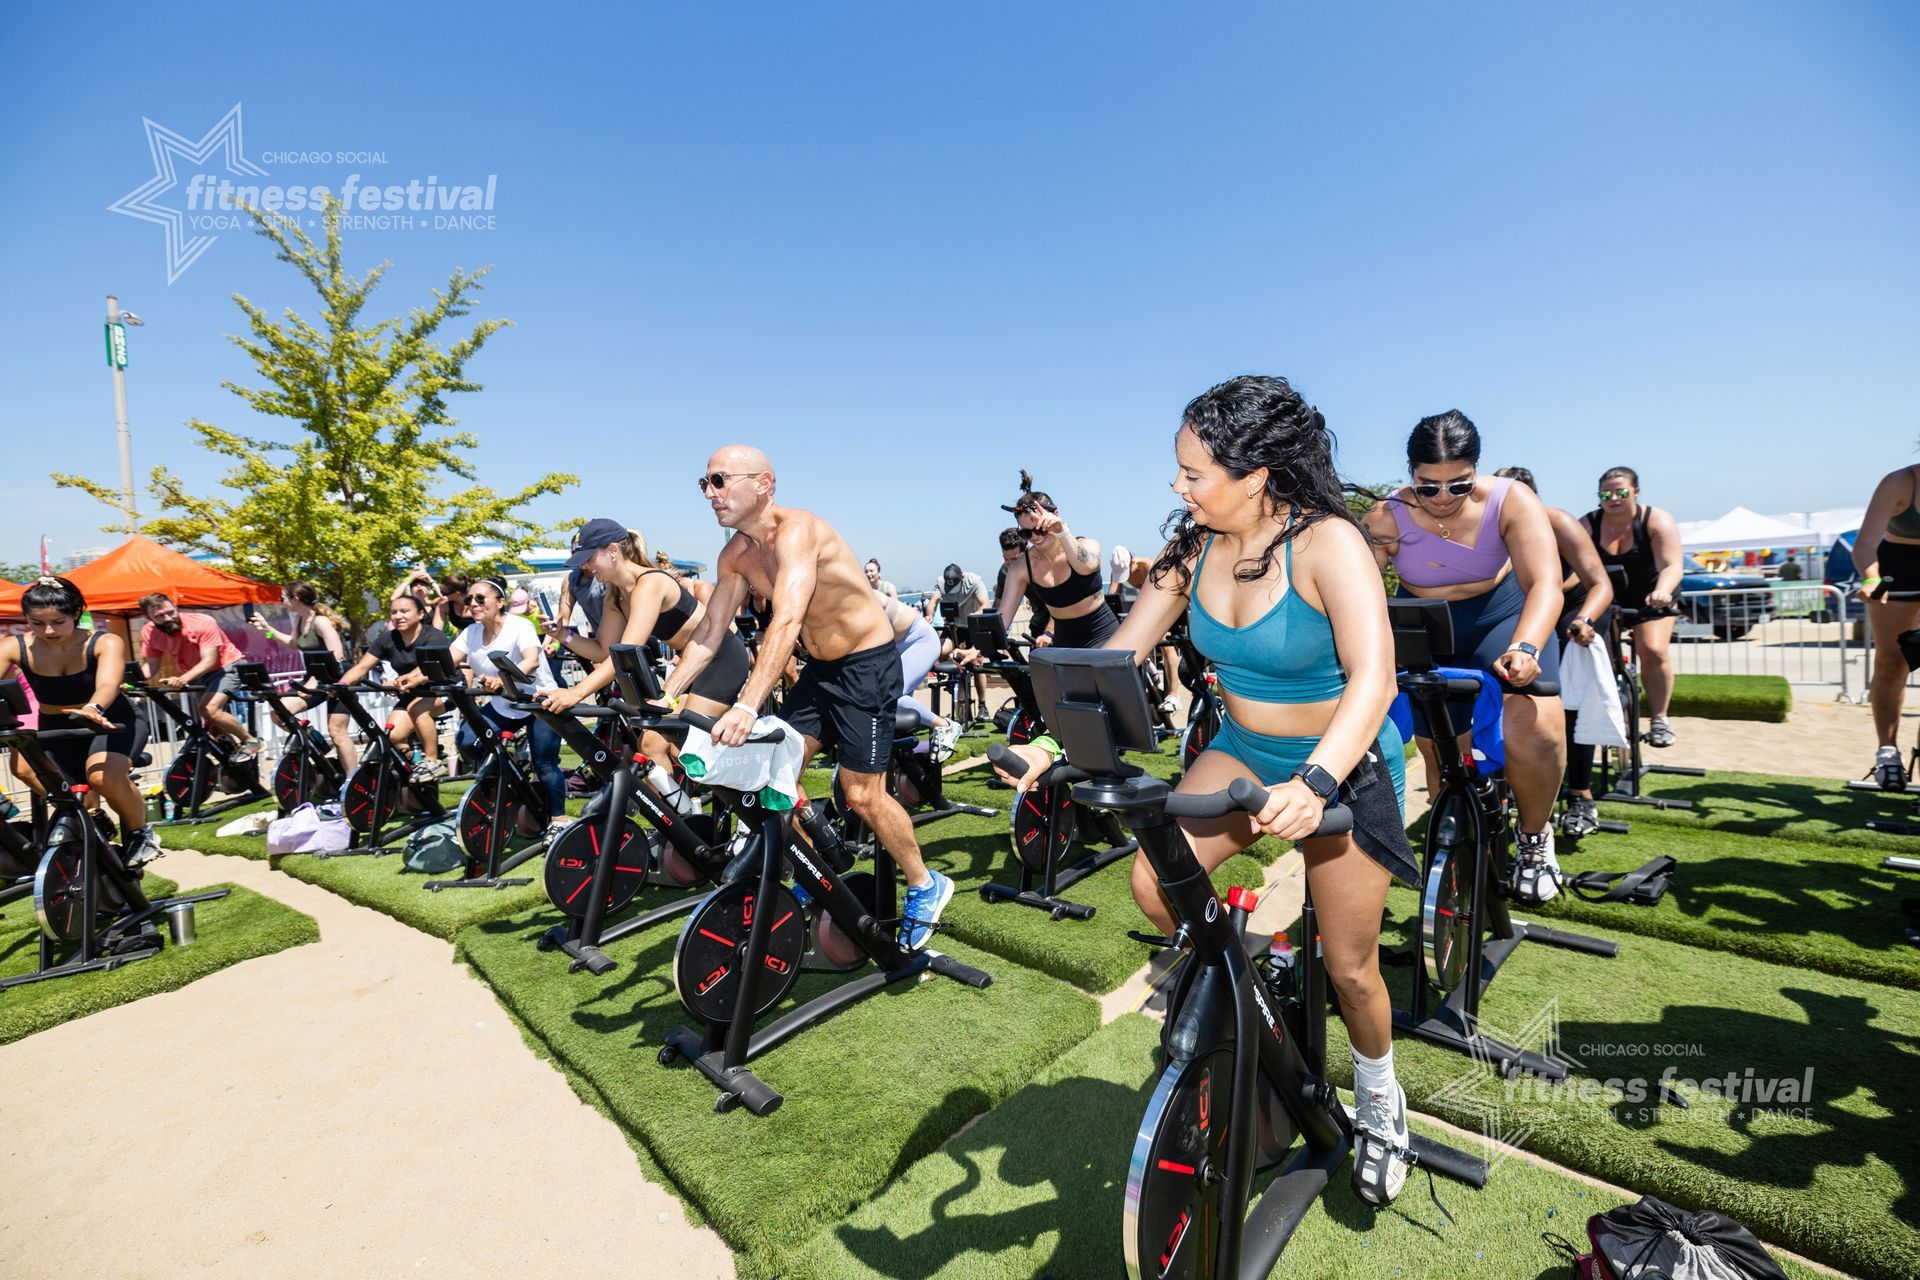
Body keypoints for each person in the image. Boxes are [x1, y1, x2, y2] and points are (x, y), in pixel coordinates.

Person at [991, 376, 1419, 1206]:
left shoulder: (1328, 544)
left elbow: (1376, 679)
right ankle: (1252, 991)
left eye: (1193, 472)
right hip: (1244, 748)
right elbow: (1114, 658)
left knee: (1353, 968)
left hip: (1342, 760)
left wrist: (1317, 781)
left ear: (1254, 474)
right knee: (1157, 884)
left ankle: (1378, 1097)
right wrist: (1049, 740)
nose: (1177, 486)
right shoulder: (1192, 549)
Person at [665, 445, 956, 949]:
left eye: (720, 480)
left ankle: (926, 884)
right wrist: (668, 695)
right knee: (777, 780)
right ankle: (813, 874)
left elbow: (787, 619)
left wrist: (746, 705)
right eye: (705, 483)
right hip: (822, 670)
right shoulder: (735, 555)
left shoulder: (798, 531)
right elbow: (711, 630)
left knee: (861, 794)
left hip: (867, 665)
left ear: (763, 484)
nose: (710, 493)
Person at [1361, 412, 1566, 903]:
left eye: (1459, 484)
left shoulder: (1512, 499)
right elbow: (1358, 595)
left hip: (1502, 618)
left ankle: (1534, 839)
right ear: (1410, 473)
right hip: (1427, 624)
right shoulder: (1385, 516)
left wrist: (1526, 646)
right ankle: (1453, 844)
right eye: (1428, 486)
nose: (1444, 497)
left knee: (1536, 727)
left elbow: (1545, 583)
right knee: (1440, 749)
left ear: (1477, 469)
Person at [537, 520, 754, 772]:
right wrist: (562, 635)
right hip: (689, 664)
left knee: (683, 747)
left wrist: (575, 693)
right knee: (651, 746)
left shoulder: (650, 583)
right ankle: (678, 799)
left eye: (588, 558)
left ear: (613, 551)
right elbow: (602, 651)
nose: (584, 566)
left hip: (721, 658)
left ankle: (748, 784)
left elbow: (627, 649)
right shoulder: (615, 596)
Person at [0, 577, 160, 866]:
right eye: (37, 623)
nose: (48, 630)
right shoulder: (13, 646)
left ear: (76, 613)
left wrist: (93, 707)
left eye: (58, 622)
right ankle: (90, 816)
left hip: (110, 719)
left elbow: (108, 684)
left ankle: (141, 834)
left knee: (102, 776)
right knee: (24, 768)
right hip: (55, 723)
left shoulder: (105, 641)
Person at [1496, 467, 1616, 836]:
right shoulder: (1487, 524)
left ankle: (1580, 794)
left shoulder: (1558, 522)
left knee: (1568, 705)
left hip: (1574, 611)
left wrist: (1584, 620)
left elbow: (1600, 583)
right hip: (1525, 611)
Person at [450, 578, 567, 827]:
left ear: (500, 602)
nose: (473, 604)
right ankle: (513, 777)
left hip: (539, 700)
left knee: (544, 763)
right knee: (467, 742)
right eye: (469, 599)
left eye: (480, 598)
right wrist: (413, 677)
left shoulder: (520, 625)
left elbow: (531, 661)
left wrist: (501, 680)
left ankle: (559, 819)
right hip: (505, 703)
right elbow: (447, 660)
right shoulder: (470, 632)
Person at [1582, 467, 1684, 749]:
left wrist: (1663, 591)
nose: (1613, 498)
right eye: (1606, 494)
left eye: (1621, 492)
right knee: (1596, 655)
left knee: (1652, 649)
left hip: (1651, 596)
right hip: (1608, 597)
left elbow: (1672, 565)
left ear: (1636, 492)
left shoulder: (1656, 521)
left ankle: (1660, 719)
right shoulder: (1588, 524)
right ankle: (1608, 717)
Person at [992, 470, 1120, 648]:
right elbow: (1003, 617)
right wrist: (977, 649)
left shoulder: (1088, 544)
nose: (1035, 537)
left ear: (1056, 515)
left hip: (1103, 634)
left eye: (1040, 528)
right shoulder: (1022, 567)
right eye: (1026, 533)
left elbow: (1087, 566)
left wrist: (1061, 531)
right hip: (1063, 642)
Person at [1855, 449, 1920, 788]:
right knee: (1892, 663)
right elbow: (1865, 545)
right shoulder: (1899, 482)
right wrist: (1871, 580)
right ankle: (1888, 752)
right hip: (1898, 569)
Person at [337, 594, 451, 781]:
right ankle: (415, 766)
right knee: (394, 737)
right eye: (394, 612)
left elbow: (424, 668)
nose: (398, 616)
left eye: (404, 611)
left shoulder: (433, 636)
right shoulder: (388, 638)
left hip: (443, 688)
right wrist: (341, 685)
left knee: (418, 710)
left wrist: (400, 681)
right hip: (413, 693)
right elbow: (362, 667)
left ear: (420, 614)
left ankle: (432, 761)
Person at [137, 592, 262, 763]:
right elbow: (151, 665)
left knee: (210, 710)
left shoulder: (202, 622)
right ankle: (232, 762)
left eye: (170, 612)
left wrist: (182, 679)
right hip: (196, 673)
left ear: (175, 607)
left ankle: (251, 741)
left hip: (226, 667)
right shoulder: (149, 632)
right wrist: (131, 681)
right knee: (212, 726)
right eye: (159, 616)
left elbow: (209, 661)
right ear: (148, 617)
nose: (168, 618)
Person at [251, 581, 358, 773]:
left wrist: (314, 680)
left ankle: (352, 779)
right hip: (315, 680)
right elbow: (294, 643)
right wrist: (267, 628)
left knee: (337, 732)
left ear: (296, 599)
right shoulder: (300, 620)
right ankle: (313, 738)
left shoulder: (321, 621)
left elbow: (337, 655)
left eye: (282, 598)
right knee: (278, 713)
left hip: (338, 680)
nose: (281, 602)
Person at [880, 589, 963, 760]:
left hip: (919, 640)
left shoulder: (862, 597)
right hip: (896, 647)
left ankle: (945, 726)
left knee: (894, 695)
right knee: (893, 704)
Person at [991, 527, 1051, 643]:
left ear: (1027, 550)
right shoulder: (1005, 572)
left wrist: (1049, 633)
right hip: (1038, 625)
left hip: (1062, 623)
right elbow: (998, 607)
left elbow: (1061, 603)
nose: (1010, 565)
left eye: (1015, 559)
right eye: (1006, 559)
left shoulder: (1044, 564)